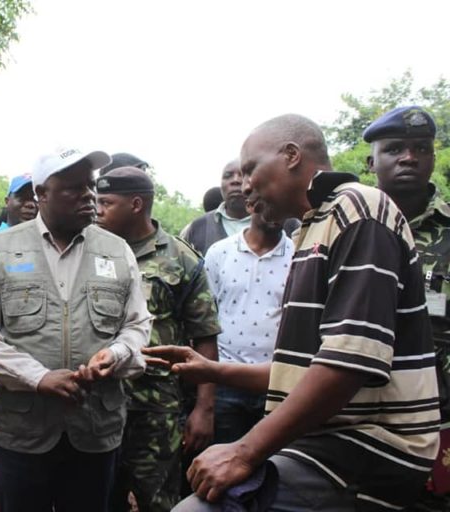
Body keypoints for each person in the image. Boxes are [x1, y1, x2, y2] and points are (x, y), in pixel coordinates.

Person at [146, 114, 440, 511]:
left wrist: (244, 452)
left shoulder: (358, 209)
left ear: (290, 156)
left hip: (371, 445)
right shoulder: (311, 228)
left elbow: (346, 364)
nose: (245, 184)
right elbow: (306, 369)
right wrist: (213, 371)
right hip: (326, 439)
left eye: (251, 169)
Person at [0, 147, 152, 512]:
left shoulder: (117, 251)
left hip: (96, 429)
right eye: (73, 187)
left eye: (90, 186)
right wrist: (38, 378)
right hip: (25, 430)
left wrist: (116, 354)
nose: (88, 195)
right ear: (41, 193)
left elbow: (137, 325)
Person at [95, 167, 221, 512]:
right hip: (99, 401)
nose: (97, 209)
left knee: (159, 500)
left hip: (156, 409)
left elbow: (205, 337)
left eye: (106, 202)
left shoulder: (181, 259)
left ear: (136, 204)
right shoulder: (91, 250)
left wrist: (204, 409)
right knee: (99, 497)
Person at [365, 106, 450, 511]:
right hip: (360, 411)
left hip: (441, 415)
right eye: (395, 149)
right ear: (372, 161)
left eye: (421, 148)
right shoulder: (350, 225)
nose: (409, 158)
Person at [203, 208, 292, 445]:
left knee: (274, 470)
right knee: (223, 469)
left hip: (277, 385)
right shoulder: (219, 252)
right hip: (225, 383)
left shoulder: (299, 255)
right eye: (267, 204)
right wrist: (204, 403)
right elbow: (202, 323)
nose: (275, 211)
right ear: (251, 205)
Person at [179, 160, 250, 254]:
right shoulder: (197, 227)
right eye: (228, 176)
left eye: (243, 175)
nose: (235, 180)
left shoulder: (272, 225)